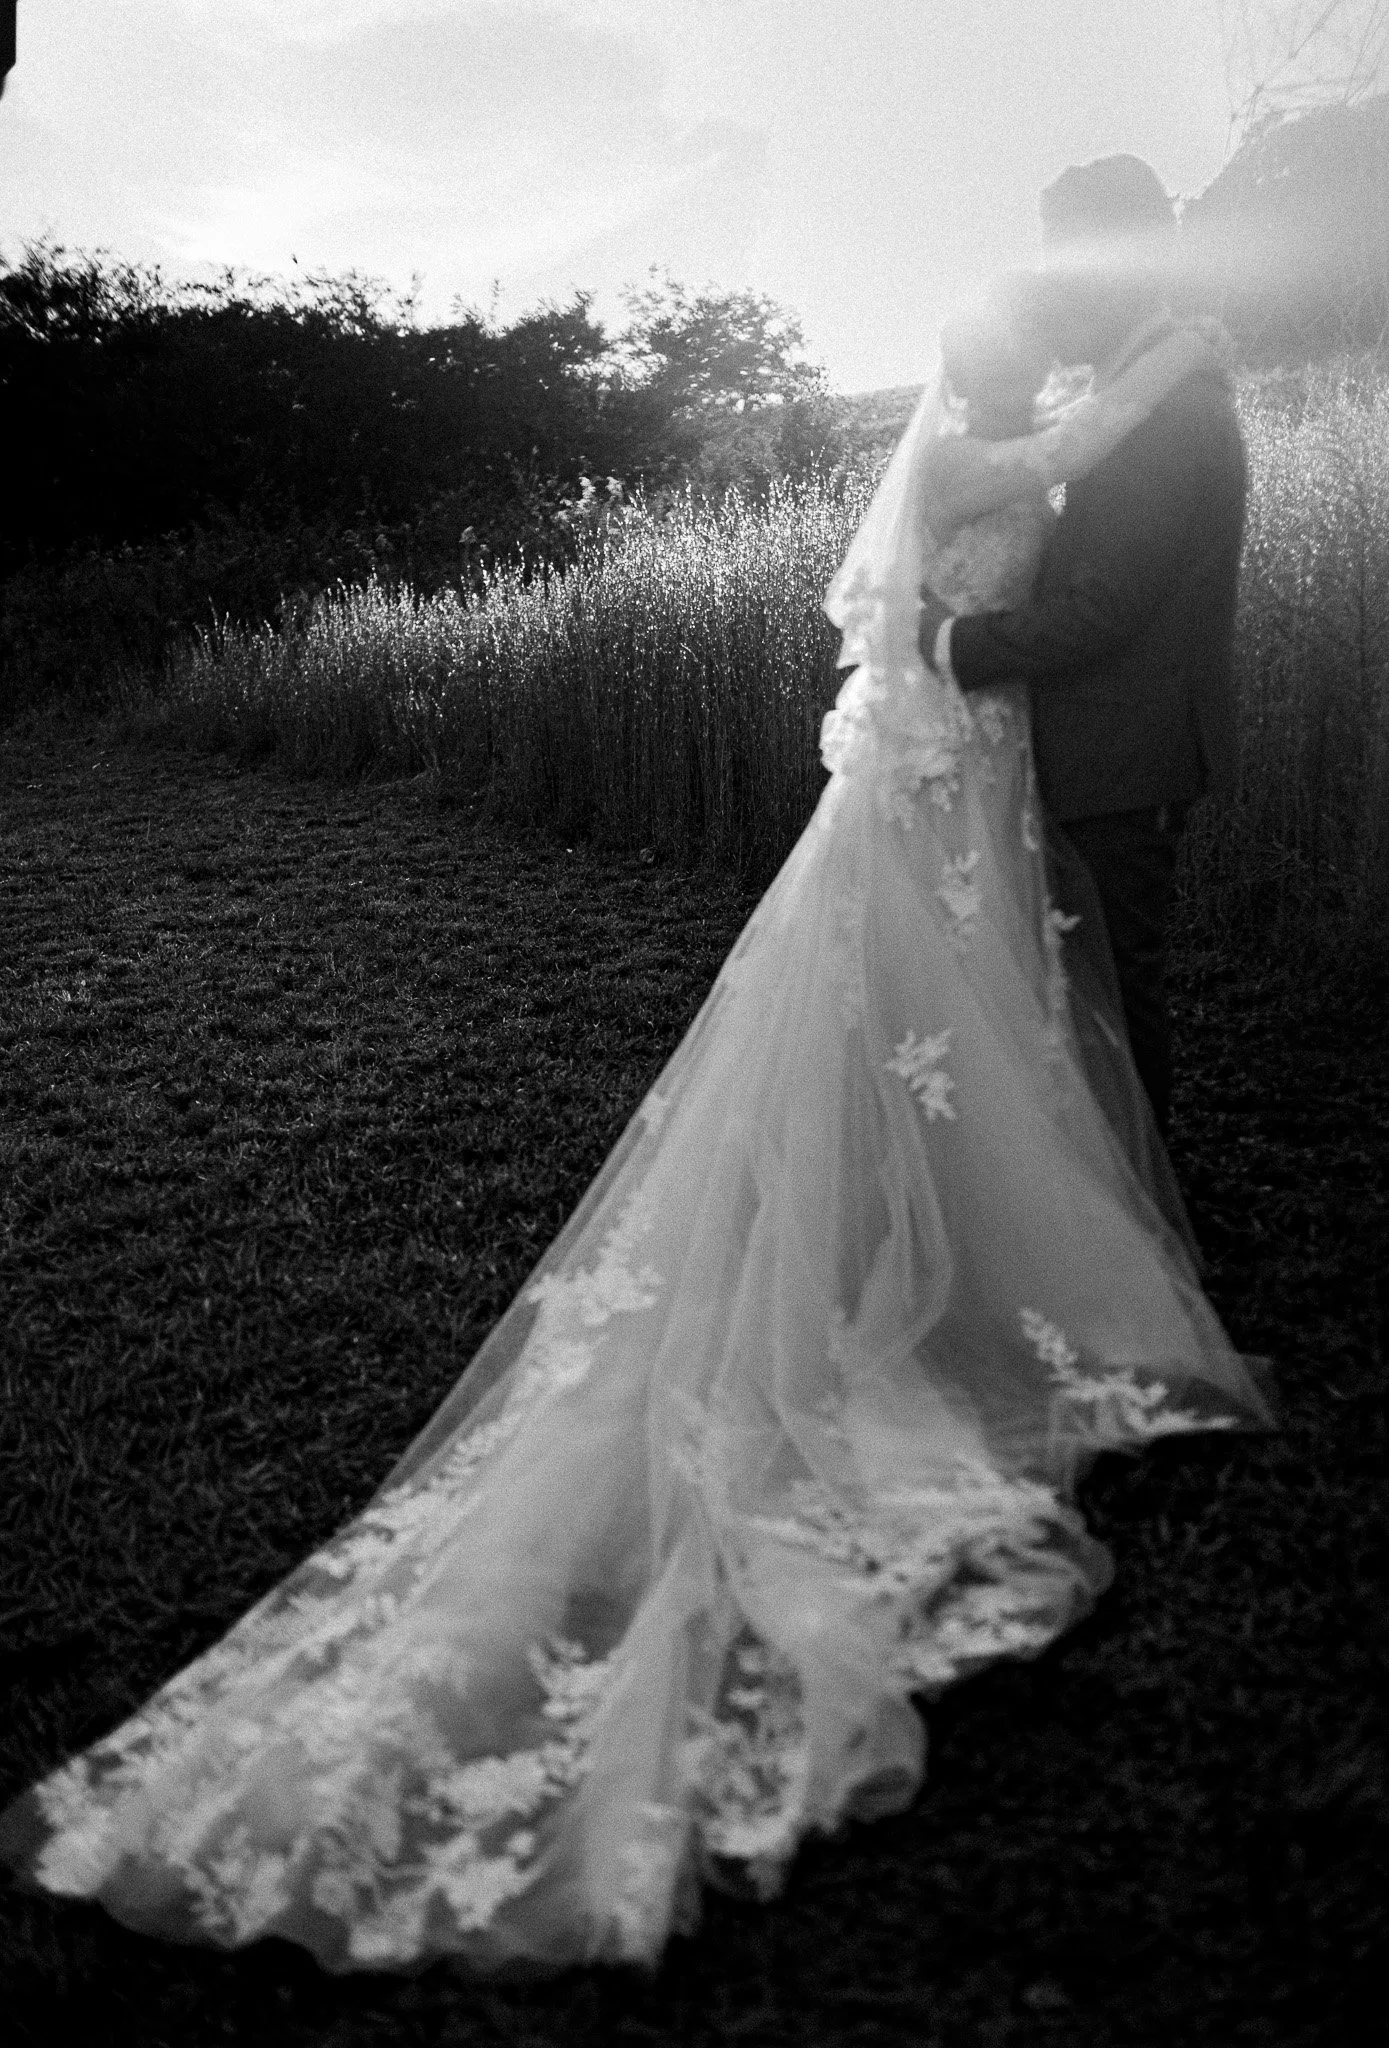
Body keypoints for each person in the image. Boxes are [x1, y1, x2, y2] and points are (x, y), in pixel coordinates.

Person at [0, 261, 1272, 1979]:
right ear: (1001, 375)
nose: (1052, 373)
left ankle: (974, 1213)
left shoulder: (991, 445)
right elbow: (1079, 448)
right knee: (948, 1019)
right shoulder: (994, 462)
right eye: (1031, 354)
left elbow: (1072, 448)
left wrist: (1130, 371)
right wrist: (1172, 342)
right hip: (949, 760)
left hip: (947, 768)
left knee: (954, 1024)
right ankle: (975, 1233)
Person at [917, 154, 1246, 1138]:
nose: (1062, 278)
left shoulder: (1169, 412)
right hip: (1090, 748)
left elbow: (1104, 605)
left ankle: (1140, 1217)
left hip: (1125, 750)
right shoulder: (1135, 401)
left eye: (1074, 254)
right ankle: (1109, 1192)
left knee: (1113, 989)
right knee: (1085, 984)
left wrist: (949, 642)